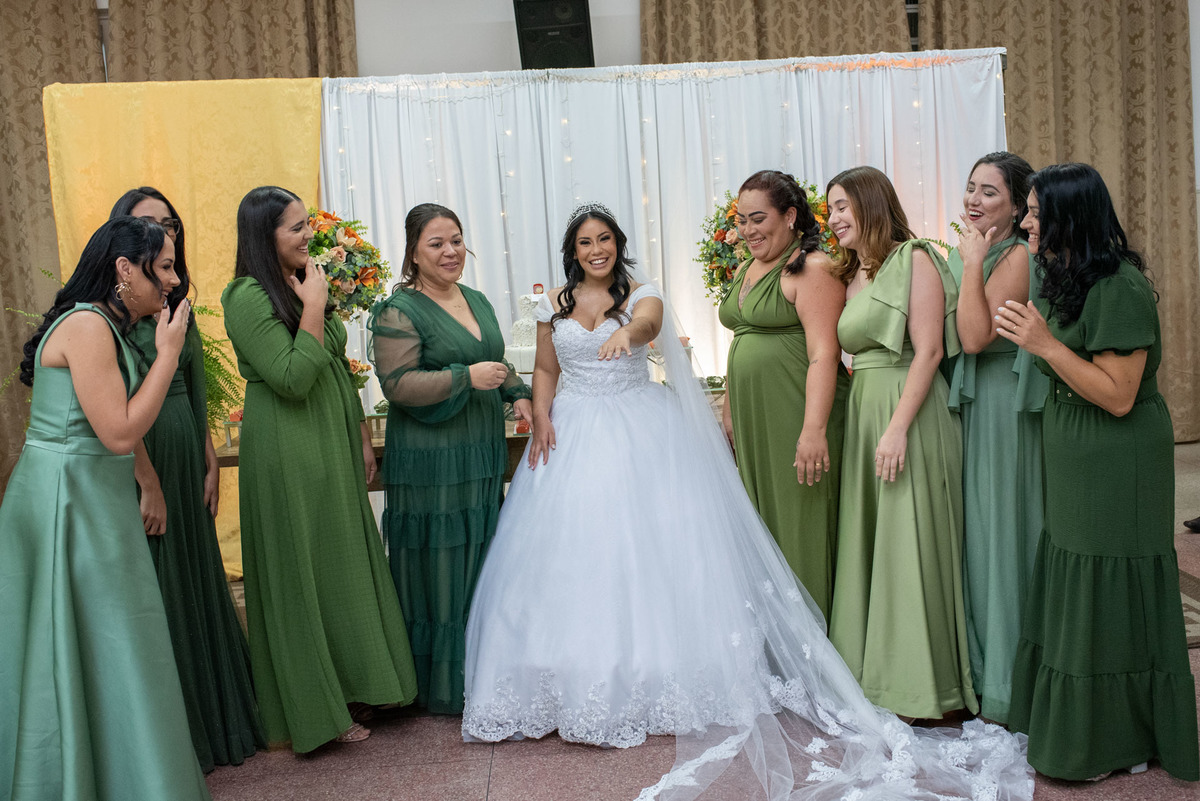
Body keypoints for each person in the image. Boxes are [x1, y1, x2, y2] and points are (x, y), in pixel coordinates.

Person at [462, 203, 1033, 801]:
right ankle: (560, 680)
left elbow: (651, 323)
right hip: (572, 434)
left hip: (636, 432)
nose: (596, 249)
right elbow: (547, 370)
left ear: (618, 245)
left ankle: (654, 677)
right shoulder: (554, 306)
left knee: (644, 553)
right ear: (572, 251)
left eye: (605, 239)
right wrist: (544, 414)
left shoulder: (640, 294)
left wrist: (627, 332)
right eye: (585, 242)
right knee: (569, 559)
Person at [998, 162, 1199, 781]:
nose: (1024, 220)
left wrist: (1045, 345)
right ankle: (1082, 728)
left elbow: (1117, 394)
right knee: (1075, 575)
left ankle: (1117, 738)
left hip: (1118, 457)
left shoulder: (1118, 286)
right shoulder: (1067, 274)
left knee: (1109, 586)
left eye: (1034, 211)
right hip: (1074, 450)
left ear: (1069, 216)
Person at [0, 217, 211, 799]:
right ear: (125, 269)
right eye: (164, 266)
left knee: (108, 642)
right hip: (66, 500)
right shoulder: (89, 326)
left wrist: (146, 483)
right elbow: (118, 431)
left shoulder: (104, 326)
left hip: (89, 494)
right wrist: (167, 353)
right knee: (99, 639)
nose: (172, 281)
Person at [221, 186, 417, 750]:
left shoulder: (302, 279)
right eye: (295, 228)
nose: (310, 235)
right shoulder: (245, 295)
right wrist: (312, 306)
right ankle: (316, 711)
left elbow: (333, 364)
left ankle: (361, 686)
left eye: (308, 224)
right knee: (302, 569)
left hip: (330, 432)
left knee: (341, 560)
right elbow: (289, 376)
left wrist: (358, 433)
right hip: (288, 442)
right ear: (264, 237)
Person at [109, 187, 265, 770]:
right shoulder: (110, 312)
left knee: (199, 580)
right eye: (148, 224)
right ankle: (176, 740)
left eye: (169, 223)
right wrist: (145, 478)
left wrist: (207, 455)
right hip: (142, 457)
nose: (163, 233)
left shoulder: (179, 302)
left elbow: (196, 382)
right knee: (162, 588)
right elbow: (114, 406)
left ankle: (219, 720)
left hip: (185, 446)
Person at [366, 203, 532, 714]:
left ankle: (484, 668)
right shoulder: (398, 310)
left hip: (478, 451)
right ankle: (441, 682)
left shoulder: (477, 299)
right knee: (440, 559)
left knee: (481, 552)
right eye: (436, 243)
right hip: (431, 458)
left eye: (456, 240)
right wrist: (465, 378)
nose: (450, 251)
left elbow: (497, 363)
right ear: (413, 251)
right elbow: (397, 385)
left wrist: (517, 392)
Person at [824, 165, 976, 721]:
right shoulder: (851, 274)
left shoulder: (916, 260)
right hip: (867, 408)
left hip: (908, 415)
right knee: (874, 542)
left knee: (909, 543)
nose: (834, 217)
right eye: (830, 208)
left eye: (842, 205)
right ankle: (875, 676)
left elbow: (931, 351)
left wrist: (895, 428)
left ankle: (920, 689)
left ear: (870, 204)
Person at [719, 170, 849, 619]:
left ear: (790, 216)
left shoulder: (813, 268)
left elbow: (825, 354)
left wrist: (813, 430)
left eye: (759, 219)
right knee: (762, 526)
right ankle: (777, 643)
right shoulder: (746, 268)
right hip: (757, 421)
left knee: (800, 525)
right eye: (741, 221)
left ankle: (816, 643)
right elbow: (741, 340)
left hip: (797, 413)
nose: (748, 230)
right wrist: (729, 408)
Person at [945, 153, 1046, 725]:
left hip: (1005, 405)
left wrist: (973, 261)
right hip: (976, 402)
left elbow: (978, 337)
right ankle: (982, 670)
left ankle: (1008, 681)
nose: (974, 200)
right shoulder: (979, 250)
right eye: (971, 188)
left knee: (1001, 533)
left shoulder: (1015, 254)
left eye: (989, 192)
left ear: (1016, 205)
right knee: (978, 534)